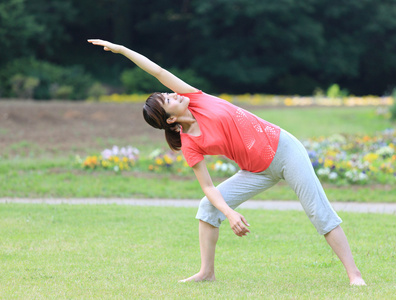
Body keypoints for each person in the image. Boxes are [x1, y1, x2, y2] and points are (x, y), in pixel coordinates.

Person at [88, 39, 366, 286]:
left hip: (284, 150)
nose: (172, 94)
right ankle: (206, 272)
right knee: (208, 207)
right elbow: (208, 187)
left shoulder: (195, 98)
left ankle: (354, 275)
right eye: (167, 99)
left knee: (318, 210)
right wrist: (230, 213)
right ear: (170, 119)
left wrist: (122, 50)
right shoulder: (190, 143)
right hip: (256, 171)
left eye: (167, 92)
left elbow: (158, 71)